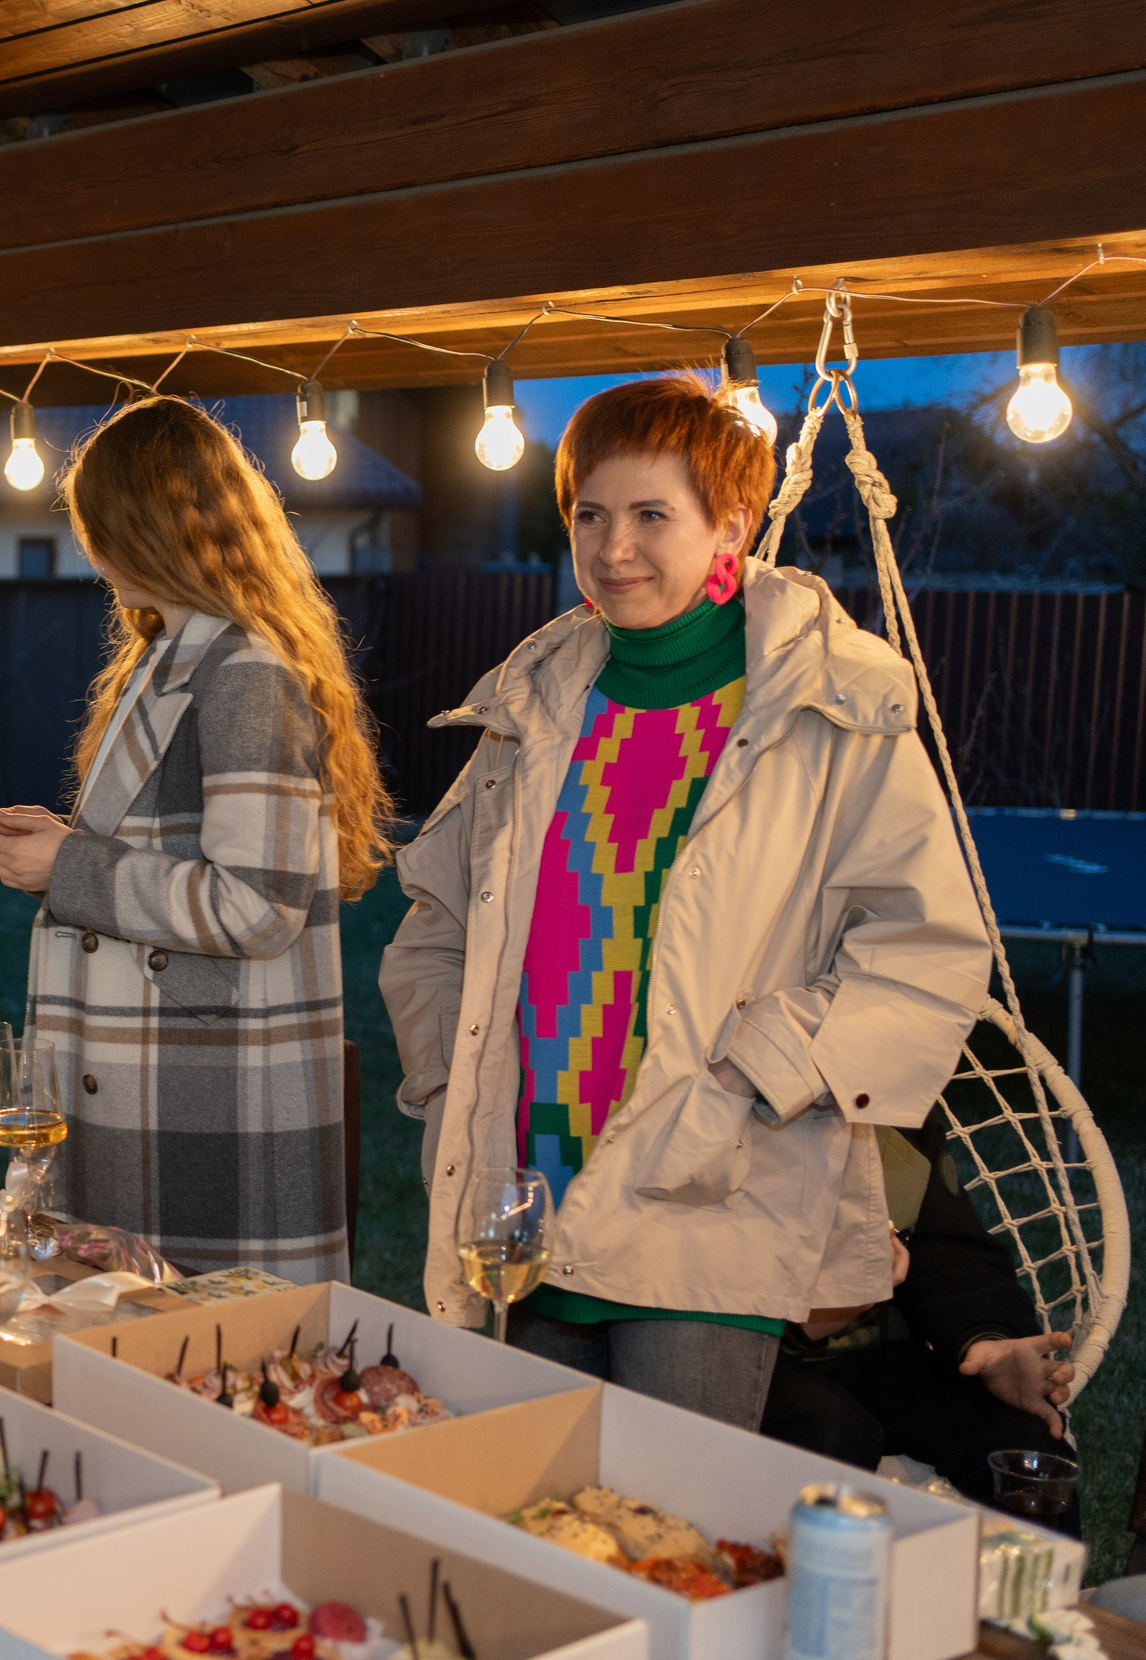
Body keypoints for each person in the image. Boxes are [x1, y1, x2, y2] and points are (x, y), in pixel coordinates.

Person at [382, 374, 990, 1428]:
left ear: (732, 526)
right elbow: (435, 927)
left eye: (651, 515)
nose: (613, 547)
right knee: (519, 1501)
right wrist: (451, 1090)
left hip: (709, 1190)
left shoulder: (828, 704)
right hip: (526, 1189)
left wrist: (756, 1072)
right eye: (590, 514)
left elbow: (926, 950)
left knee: (674, 1508)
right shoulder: (534, 702)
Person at [0, 396, 389, 1280]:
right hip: (157, 1088)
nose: (91, 550)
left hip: (209, 1104)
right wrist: (63, 846)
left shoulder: (243, 674)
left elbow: (258, 904)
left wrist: (67, 864)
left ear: (148, 527)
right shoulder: (170, 658)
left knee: (205, 1340)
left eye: (99, 526)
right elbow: (166, 853)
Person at [762, 1119, 1078, 1533]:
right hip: (750, 1358)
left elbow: (949, 1251)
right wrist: (808, 1321)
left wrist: (986, 1338)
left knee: (1024, 1441)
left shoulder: (897, 1116)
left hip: (874, 1356)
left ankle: (1028, 1576)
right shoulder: (730, 1111)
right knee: (824, 1428)